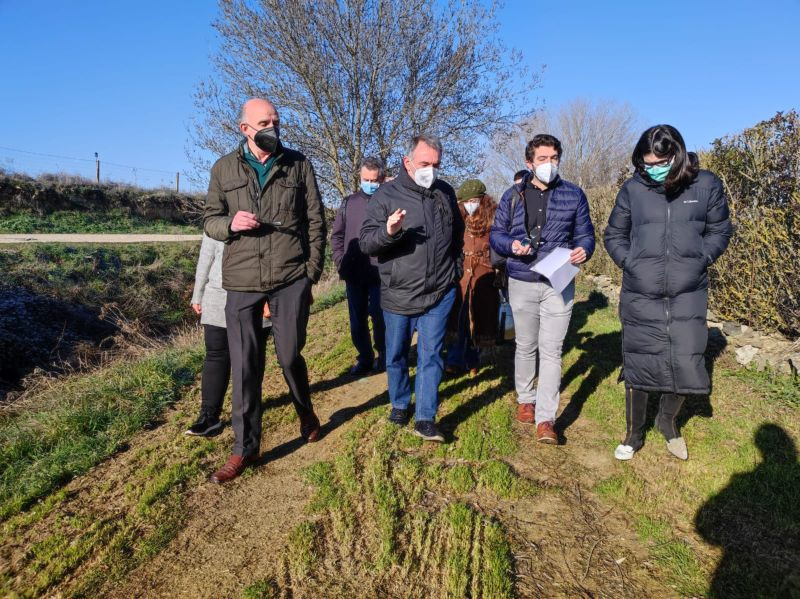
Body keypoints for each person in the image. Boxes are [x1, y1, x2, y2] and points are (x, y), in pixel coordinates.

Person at [203, 98, 327, 483]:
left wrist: (310, 275)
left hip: (290, 277)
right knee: (245, 368)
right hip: (241, 281)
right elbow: (209, 220)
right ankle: (245, 448)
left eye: (276, 120)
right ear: (244, 129)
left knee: (289, 356)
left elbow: (316, 222)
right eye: (264, 121)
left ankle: (304, 409)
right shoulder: (224, 168)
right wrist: (230, 224)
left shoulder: (299, 164)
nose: (273, 126)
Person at [604, 124, 732, 461]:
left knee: (685, 357)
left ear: (676, 155)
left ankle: (667, 421)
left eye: (660, 162)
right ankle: (633, 434)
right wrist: (631, 263)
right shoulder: (633, 189)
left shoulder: (706, 185)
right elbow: (614, 234)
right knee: (641, 360)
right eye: (647, 163)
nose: (653, 169)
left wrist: (701, 258)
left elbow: (720, 229)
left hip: (687, 290)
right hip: (640, 289)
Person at [490, 134, 595, 444]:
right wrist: (511, 245)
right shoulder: (512, 196)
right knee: (525, 345)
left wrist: (584, 250)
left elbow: (586, 235)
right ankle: (525, 398)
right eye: (542, 159)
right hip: (521, 279)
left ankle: (545, 419)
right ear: (529, 163)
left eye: (554, 158)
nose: (549, 164)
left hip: (558, 283)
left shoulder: (574, 195)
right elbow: (496, 236)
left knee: (552, 350)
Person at [359, 134, 463, 442]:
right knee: (397, 353)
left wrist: (454, 273)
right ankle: (400, 402)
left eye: (435, 164)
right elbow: (366, 242)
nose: (430, 169)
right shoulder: (386, 195)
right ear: (407, 162)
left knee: (431, 354)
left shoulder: (444, 192)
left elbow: (457, 237)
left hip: (440, 292)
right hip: (398, 293)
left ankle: (426, 417)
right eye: (424, 163)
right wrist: (389, 231)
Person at [186, 234, 272, 437]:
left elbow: (274, 257)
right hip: (217, 296)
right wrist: (197, 294)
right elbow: (206, 257)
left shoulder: (264, 211)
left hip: (255, 298)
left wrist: (270, 295)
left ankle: (248, 412)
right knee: (215, 354)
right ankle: (209, 417)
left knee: (250, 358)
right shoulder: (217, 216)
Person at [331, 157, 387, 375]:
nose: (370, 183)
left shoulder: (388, 201)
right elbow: (336, 236)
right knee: (357, 320)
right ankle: (364, 357)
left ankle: (383, 354)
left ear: (381, 178)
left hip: (381, 271)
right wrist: (340, 260)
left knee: (381, 317)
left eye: (374, 180)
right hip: (354, 272)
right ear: (360, 177)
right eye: (366, 179)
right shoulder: (348, 203)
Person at [445, 179, 500, 376]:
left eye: (474, 200)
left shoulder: (494, 219)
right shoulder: (456, 219)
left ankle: (473, 359)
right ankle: (454, 359)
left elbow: (499, 248)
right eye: (466, 201)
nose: (470, 204)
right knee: (457, 318)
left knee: (479, 318)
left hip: (484, 274)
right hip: (460, 275)